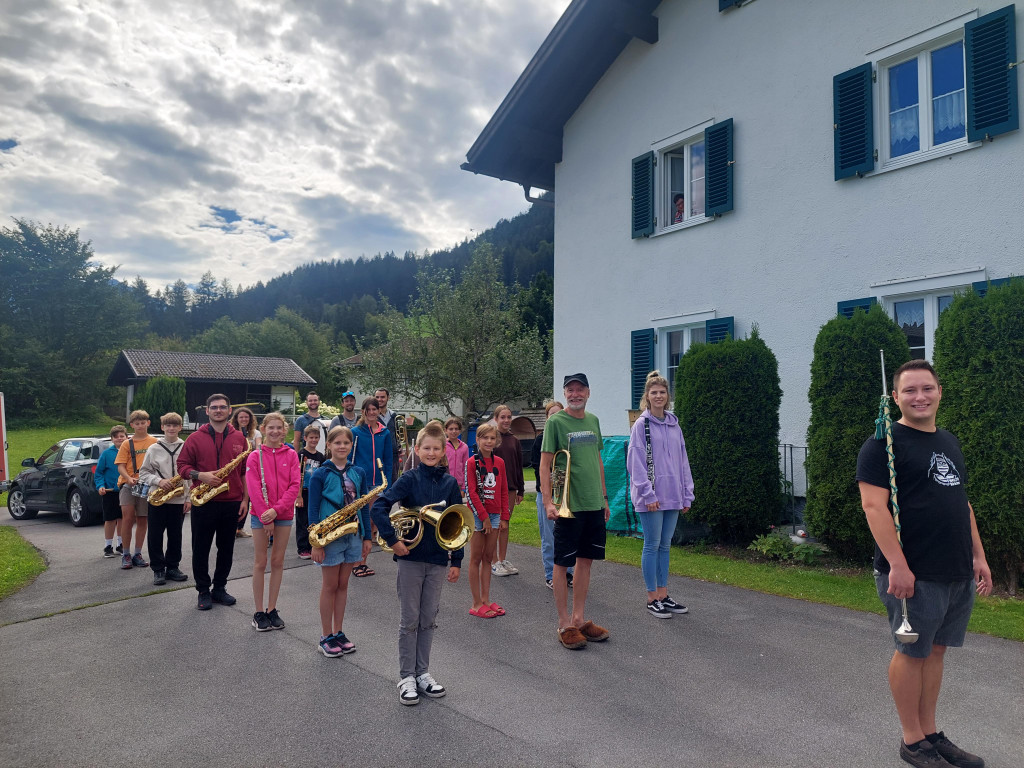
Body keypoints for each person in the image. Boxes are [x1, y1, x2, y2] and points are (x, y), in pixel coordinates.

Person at [857, 359, 992, 768]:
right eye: (910, 390)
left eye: (927, 388)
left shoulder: (948, 441)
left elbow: (961, 503)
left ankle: (931, 733)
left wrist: (978, 556)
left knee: (935, 651)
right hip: (913, 572)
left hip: (955, 568)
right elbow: (874, 507)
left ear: (939, 392)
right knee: (912, 651)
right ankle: (912, 741)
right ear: (895, 396)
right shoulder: (882, 444)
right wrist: (897, 565)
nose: (920, 397)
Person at [370, 421, 463, 705]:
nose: (431, 453)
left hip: (438, 560)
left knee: (428, 619)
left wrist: (457, 560)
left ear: (443, 451)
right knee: (409, 620)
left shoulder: (450, 483)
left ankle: (422, 673)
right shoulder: (409, 479)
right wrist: (393, 540)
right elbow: (379, 507)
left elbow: (459, 524)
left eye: (436, 448)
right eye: (426, 448)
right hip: (410, 559)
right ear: (418, 450)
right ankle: (406, 677)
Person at [539, 373, 611, 650]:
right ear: (565, 394)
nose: (575, 394)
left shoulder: (593, 421)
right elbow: (545, 464)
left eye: (580, 389)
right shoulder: (556, 422)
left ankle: (579, 619)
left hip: (593, 503)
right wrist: (548, 502)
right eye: (570, 390)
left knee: (586, 561)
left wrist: (604, 498)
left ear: (588, 393)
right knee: (561, 563)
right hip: (568, 506)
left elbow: (597, 460)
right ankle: (564, 623)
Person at [626, 371, 694, 619]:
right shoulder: (641, 426)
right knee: (652, 545)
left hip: (673, 495)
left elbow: (683, 461)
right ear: (647, 396)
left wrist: (687, 494)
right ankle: (652, 597)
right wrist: (648, 493)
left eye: (662, 392)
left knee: (665, 546)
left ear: (668, 396)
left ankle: (664, 595)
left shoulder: (675, 425)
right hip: (651, 498)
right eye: (653, 392)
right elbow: (636, 463)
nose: (658, 396)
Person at [177, 393, 250, 611]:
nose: (219, 410)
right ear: (207, 411)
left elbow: (244, 472)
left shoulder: (240, 439)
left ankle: (219, 588)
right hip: (203, 501)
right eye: (214, 407)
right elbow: (182, 467)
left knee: (226, 548)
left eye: (222, 407)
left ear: (229, 411)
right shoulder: (194, 438)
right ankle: (203, 590)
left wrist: (245, 499)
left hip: (232, 501)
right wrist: (201, 475)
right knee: (200, 548)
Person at [308, 426, 373, 656]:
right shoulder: (320, 474)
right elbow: (313, 509)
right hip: (329, 537)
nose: (342, 446)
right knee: (330, 586)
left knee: (343, 585)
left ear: (351, 445)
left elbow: (363, 506)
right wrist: (316, 543)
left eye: (346, 443)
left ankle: (338, 632)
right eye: (337, 443)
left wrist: (367, 537)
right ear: (329, 445)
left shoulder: (358, 472)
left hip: (353, 535)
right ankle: (325, 636)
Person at [245, 412, 300, 632]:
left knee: (277, 561)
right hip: (260, 515)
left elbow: (294, 485)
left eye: (279, 428)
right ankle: (259, 611)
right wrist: (265, 515)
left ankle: (272, 608)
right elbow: (253, 488)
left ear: (284, 430)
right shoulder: (254, 456)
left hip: (283, 514)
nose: (275, 431)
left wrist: (276, 511)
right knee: (260, 562)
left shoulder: (291, 454)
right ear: (264, 429)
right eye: (271, 428)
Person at [138, 412, 191, 586]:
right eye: (168, 425)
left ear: (180, 427)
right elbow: (144, 473)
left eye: (175, 425)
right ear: (162, 427)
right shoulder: (154, 448)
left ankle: (173, 567)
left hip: (178, 499)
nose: (171, 428)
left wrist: (188, 498)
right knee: (155, 535)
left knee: (175, 535)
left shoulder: (186, 447)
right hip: (157, 497)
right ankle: (158, 569)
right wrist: (159, 481)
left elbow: (190, 475)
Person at [350, 397, 394, 577]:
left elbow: (388, 460)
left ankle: (362, 562)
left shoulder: (385, 432)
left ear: (378, 410)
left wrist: (387, 485)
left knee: (372, 522)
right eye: (368, 410)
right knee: (362, 523)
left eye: (374, 409)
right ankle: (357, 563)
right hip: (361, 483)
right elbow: (350, 458)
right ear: (363, 412)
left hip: (378, 484)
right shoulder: (355, 432)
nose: (371, 412)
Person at [465, 422, 505, 619]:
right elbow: (471, 493)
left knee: (489, 557)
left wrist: (504, 516)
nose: (489, 441)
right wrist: (484, 517)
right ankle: (476, 603)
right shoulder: (472, 462)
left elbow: (503, 489)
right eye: (485, 438)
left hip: (495, 514)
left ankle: (486, 599)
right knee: (476, 557)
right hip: (477, 514)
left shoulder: (500, 462)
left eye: (492, 438)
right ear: (478, 439)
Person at [532, 401, 573, 589]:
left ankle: (568, 572)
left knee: (568, 536)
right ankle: (551, 574)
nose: (555, 418)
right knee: (549, 537)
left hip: (566, 494)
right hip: (547, 494)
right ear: (547, 418)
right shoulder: (540, 440)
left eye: (559, 414)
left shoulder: (567, 438)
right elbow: (538, 468)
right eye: (551, 415)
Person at [114, 410, 158, 570]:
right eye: (137, 423)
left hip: (147, 484)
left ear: (148, 423)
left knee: (142, 519)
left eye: (143, 423)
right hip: (129, 484)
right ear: (132, 425)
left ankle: (137, 553)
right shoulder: (127, 443)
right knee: (127, 518)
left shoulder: (154, 442)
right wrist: (128, 478)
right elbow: (120, 465)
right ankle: (126, 553)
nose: (140, 426)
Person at [491, 405, 524, 577]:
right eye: (502, 417)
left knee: (505, 524)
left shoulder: (514, 440)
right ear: (496, 419)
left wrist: (521, 490)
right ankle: (493, 561)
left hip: (510, 488)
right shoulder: (491, 437)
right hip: (493, 488)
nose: (506, 420)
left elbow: (519, 466)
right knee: (494, 525)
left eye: (509, 417)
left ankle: (502, 559)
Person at [294, 423, 325, 560]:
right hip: (303, 492)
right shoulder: (301, 454)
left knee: (313, 519)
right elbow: (297, 476)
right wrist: (298, 496)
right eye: (311, 437)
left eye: (316, 437)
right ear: (305, 438)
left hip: (315, 492)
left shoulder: (320, 456)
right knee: (302, 520)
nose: (314, 440)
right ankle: (302, 548)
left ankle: (312, 544)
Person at [231, 406, 261, 539]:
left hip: (249, 468)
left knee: (246, 497)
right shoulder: (231, 432)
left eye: (246, 417)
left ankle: (239, 528)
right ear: (236, 419)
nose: (244, 419)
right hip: (235, 468)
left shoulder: (256, 433)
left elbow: (259, 448)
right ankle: (231, 526)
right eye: (241, 417)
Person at [97, 425, 126, 558]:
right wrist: (100, 486)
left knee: (122, 518)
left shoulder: (129, 452)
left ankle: (121, 544)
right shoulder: (106, 454)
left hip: (125, 490)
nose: (119, 439)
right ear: (112, 439)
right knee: (110, 519)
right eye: (116, 437)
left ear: (126, 437)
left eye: (122, 436)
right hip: (110, 491)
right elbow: (99, 473)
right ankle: (108, 546)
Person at [375, 388, 402, 482]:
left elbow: (397, 434)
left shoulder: (394, 416)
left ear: (388, 398)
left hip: (393, 456)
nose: (380, 399)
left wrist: (399, 446)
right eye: (377, 397)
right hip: (378, 455)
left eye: (382, 397)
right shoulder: (372, 416)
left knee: (393, 481)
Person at [444, 417, 468, 500]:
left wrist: (464, 488)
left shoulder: (464, 447)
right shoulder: (442, 446)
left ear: (460, 430)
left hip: (458, 485)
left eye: (456, 429)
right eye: (451, 429)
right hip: (444, 483)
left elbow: (465, 468)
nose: (454, 431)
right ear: (445, 430)